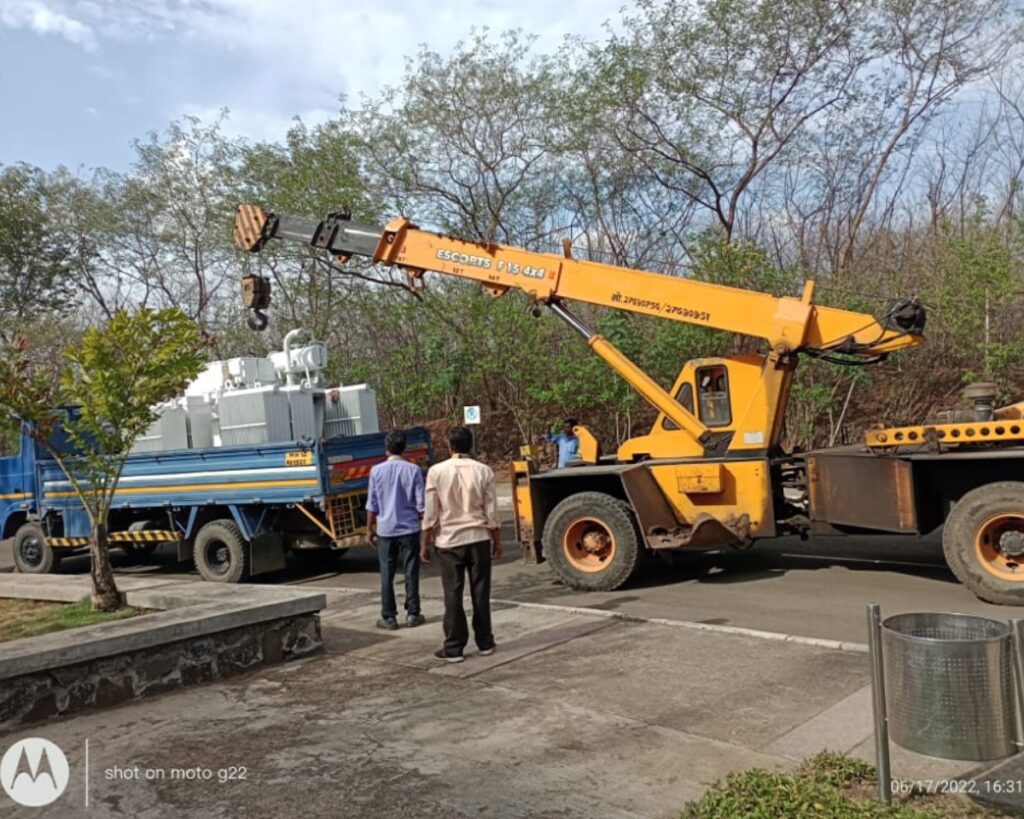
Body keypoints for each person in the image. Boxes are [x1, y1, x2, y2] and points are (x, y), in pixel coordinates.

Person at [421, 426, 502, 663]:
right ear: (471, 445)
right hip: (478, 538)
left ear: (449, 446)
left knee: (453, 594)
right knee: (481, 592)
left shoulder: (437, 472)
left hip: (449, 541)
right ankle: (485, 642)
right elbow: (492, 512)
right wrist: (497, 541)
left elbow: (430, 513)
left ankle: (454, 647)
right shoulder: (484, 471)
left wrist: (424, 543)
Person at [366, 429, 426, 630]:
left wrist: (369, 530)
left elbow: (372, 504)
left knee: (387, 573)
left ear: (386, 449)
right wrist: (426, 531)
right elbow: (421, 505)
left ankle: (389, 616)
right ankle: (413, 613)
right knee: (411, 571)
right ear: (405, 448)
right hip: (409, 528)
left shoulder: (376, 471)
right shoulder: (413, 470)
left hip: (385, 530)